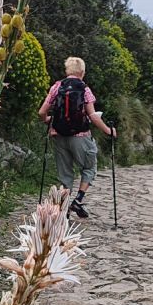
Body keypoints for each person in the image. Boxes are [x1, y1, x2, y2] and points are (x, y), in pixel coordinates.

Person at [37, 56, 116, 219]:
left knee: (65, 174)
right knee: (89, 167)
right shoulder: (84, 89)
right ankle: (78, 200)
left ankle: (63, 210)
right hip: (81, 136)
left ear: (67, 71)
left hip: (59, 135)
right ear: (82, 72)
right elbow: (93, 116)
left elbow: (42, 112)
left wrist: (48, 120)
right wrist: (109, 131)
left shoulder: (57, 86)